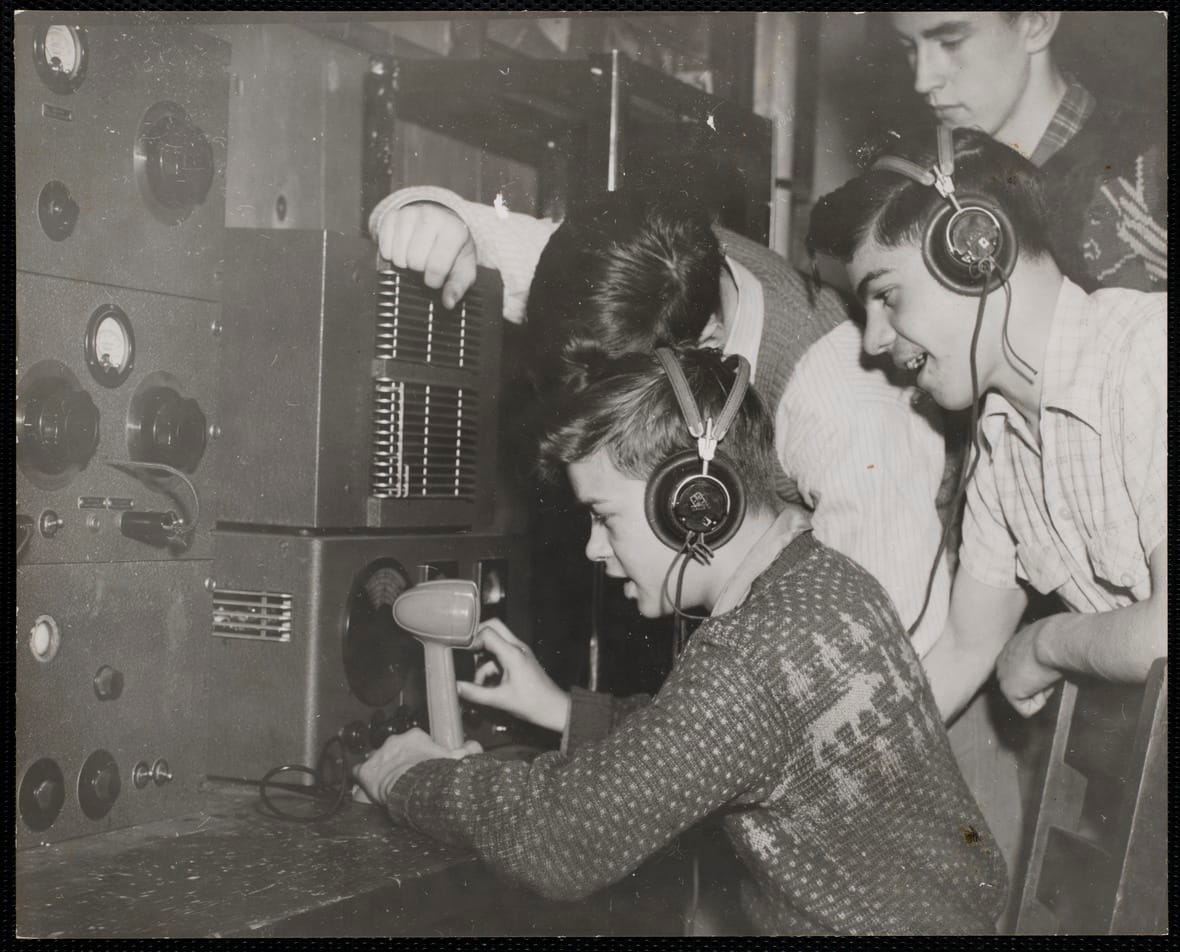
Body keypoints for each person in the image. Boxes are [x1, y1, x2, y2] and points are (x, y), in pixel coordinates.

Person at [353, 346, 1007, 935]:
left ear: (692, 503)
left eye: (604, 517)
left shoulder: (750, 657)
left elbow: (562, 839)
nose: (594, 549)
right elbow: (702, 739)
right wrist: (562, 711)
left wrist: (409, 777)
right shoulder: (823, 578)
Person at [368, 188, 951, 657]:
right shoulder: (645, 273)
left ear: (709, 350)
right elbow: (476, 237)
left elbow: (883, 653)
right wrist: (430, 218)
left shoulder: (841, 405)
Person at [806, 126, 1167, 724]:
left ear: (975, 247)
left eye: (887, 295)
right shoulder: (999, 440)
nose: (873, 341)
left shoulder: (1147, 356)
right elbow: (965, 649)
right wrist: (836, 782)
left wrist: (1045, 645)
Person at [889, 11, 1166, 292]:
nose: (922, 81)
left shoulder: (1155, 158)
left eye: (951, 42)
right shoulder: (926, 189)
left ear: (1036, 24)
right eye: (908, 47)